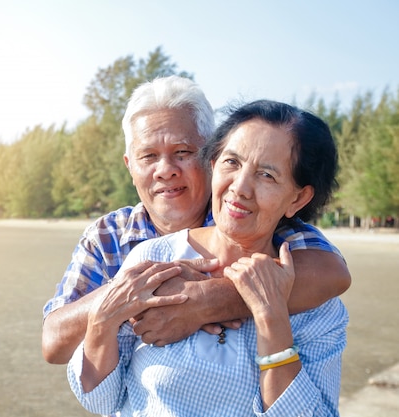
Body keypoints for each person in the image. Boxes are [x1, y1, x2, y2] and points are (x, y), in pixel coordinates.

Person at [42, 76, 351, 364]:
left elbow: (331, 273)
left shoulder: (246, 216)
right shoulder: (109, 234)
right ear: (130, 166)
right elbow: (54, 343)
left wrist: (208, 299)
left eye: (183, 151)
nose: (165, 169)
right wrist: (126, 294)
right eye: (148, 156)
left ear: (210, 156)